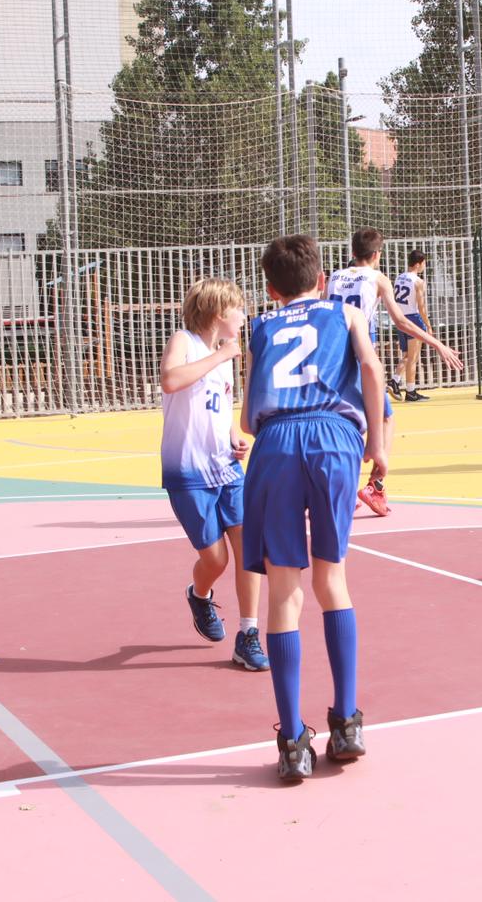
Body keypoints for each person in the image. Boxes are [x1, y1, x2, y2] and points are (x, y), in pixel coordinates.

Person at [241, 234, 386, 781]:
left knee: (283, 591)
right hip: (333, 440)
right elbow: (371, 370)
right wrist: (376, 443)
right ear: (322, 280)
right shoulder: (345, 313)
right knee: (333, 582)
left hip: (277, 443)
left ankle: (292, 741)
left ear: (272, 289)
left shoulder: (261, 328)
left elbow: (246, 419)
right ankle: (347, 721)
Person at [158, 277, 267, 671]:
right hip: (188, 471)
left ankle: (249, 633)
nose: (244, 315)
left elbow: (219, 412)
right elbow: (171, 380)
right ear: (220, 313)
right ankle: (199, 594)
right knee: (215, 559)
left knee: (248, 550)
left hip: (227, 467)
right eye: (239, 309)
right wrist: (221, 357)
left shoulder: (223, 358)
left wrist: (236, 439)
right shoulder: (184, 341)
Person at [329, 228, 463, 515]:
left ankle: (341, 487)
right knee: (386, 419)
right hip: (360, 357)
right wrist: (437, 343)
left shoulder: (334, 277)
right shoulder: (378, 278)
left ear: (353, 252)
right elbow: (401, 321)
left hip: (331, 358)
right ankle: (375, 486)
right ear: (377, 255)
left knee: (344, 422)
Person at [391, 249, 437, 401]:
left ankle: (395, 380)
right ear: (418, 264)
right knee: (413, 358)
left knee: (406, 355)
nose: (425, 266)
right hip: (413, 318)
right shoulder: (418, 282)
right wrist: (428, 325)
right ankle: (410, 391)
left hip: (400, 318)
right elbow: (422, 307)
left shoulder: (399, 278)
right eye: (424, 263)